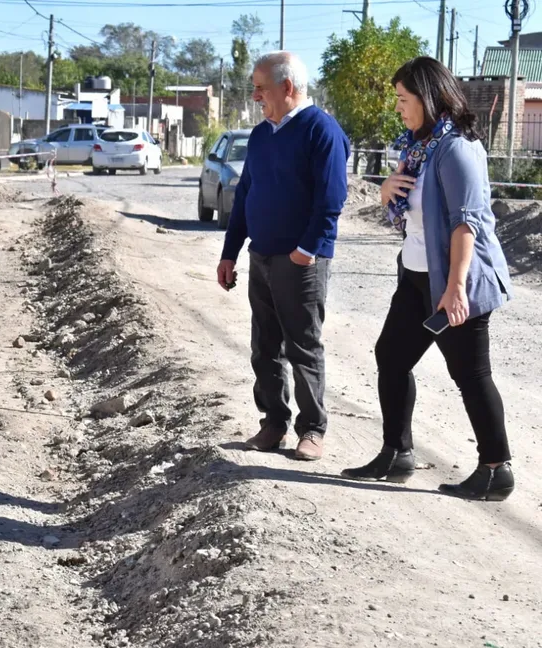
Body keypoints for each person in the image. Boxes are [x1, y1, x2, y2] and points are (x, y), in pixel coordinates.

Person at [342, 57, 515, 501]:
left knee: (470, 374)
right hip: (417, 276)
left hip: (454, 281)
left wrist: (455, 288)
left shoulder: (457, 148)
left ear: (428, 97)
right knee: (391, 357)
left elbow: (466, 223)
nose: (398, 107)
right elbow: (413, 212)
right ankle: (396, 453)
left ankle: (495, 469)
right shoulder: (419, 149)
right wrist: (386, 191)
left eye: (403, 99)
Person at [216, 52, 350, 461]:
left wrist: (305, 251)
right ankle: (274, 422)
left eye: (261, 88)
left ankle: (312, 430)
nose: (255, 95)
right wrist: (230, 252)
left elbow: (331, 200)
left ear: (287, 87)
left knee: (302, 345)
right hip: (262, 256)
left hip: (301, 261)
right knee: (265, 345)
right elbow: (245, 194)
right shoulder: (261, 135)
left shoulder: (321, 131)